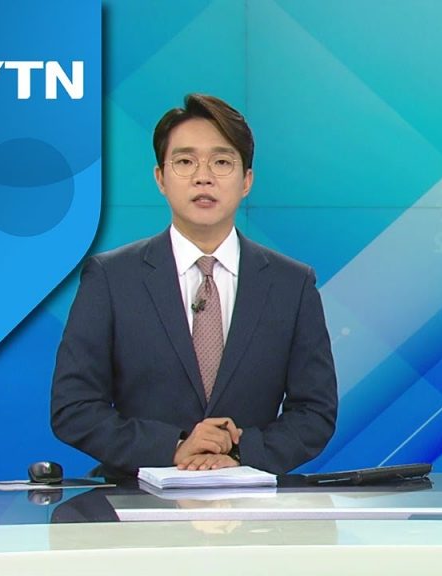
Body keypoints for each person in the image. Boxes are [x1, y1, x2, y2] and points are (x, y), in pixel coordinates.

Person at [52, 94, 338, 476]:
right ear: (160, 178)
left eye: (222, 162)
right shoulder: (110, 278)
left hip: (251, 503)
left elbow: (315, 411)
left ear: (247, 181)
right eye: (185, 162)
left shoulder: (292, 284)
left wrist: (239, 454)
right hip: (135, 498)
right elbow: (73, 407)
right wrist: (174, 446)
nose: (203, 177)